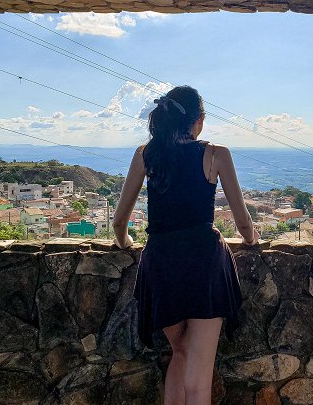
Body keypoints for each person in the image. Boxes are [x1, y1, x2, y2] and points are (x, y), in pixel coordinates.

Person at [112, 85, 260, 405]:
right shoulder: (216, 154)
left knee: (179, 352)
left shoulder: (146, 155)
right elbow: (243, 222)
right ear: (199, 121)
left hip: (161, 264)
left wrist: (126, 243)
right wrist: (251, 240)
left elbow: (118, 223)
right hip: (204, 266)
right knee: (198, 383)